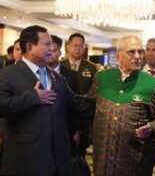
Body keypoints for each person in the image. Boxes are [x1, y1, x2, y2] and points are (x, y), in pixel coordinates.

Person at [0, 25, 92, 176]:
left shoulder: (56, 77)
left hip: (58, 161)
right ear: (30, 47)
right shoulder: (8, 74)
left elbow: (77, 104)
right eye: (47, 44)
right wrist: (33, 97)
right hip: (26, 160)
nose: (52, 48)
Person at [90, 35, 155, 176]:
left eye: (140, 51)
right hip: (104, 158)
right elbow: (85, 106)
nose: (138, 56)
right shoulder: (102, 77)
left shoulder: (153, 84)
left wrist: (150, 128)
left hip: (134, 159)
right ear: (118, 55)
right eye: (131, 52)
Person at [61, 33, 97, 161]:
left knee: (80, 153)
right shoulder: (60, 66)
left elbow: (94, 92)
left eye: (81, 46)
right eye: (75, 45)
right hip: (63, 114)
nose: (78, 48)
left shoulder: (91, 68)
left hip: (82, 116)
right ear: (68, 47)